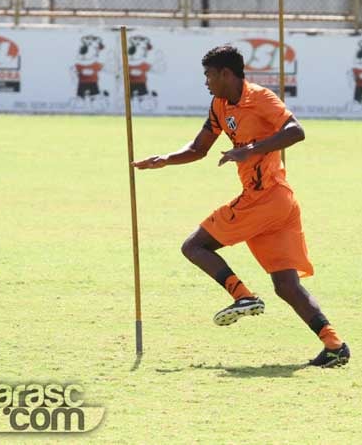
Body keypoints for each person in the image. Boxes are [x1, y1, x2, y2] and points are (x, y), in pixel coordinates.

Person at [133, 45, 349, 367]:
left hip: (265, 198)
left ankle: (242, 295)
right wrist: (165, 160)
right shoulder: (219, 105)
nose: (205, 82)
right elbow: (198, 148)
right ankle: (335, 345)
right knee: (287, 285)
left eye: (208, 75)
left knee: (194, 246)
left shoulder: (260, 97)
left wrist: (252, 149)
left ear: (225, 74)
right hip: (278, 204)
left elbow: (296, 131)